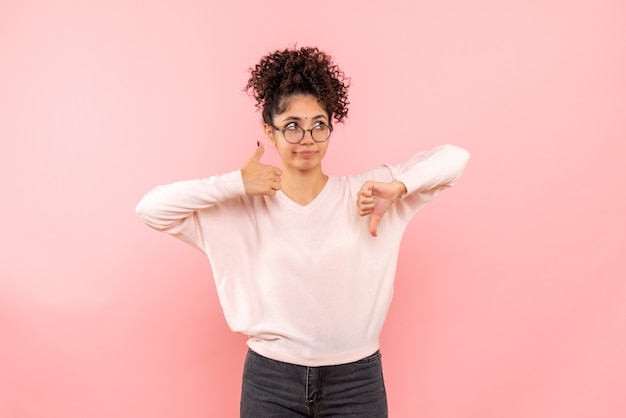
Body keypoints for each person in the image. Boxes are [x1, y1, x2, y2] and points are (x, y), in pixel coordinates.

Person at [136, 46, 470, 418]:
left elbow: (455, 158)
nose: (307, 138)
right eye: (292, 126)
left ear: (330, 126)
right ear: (270, 132)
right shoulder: (240, 209)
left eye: (318, 125)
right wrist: (235, 183)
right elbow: (151, 208)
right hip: (270, 381)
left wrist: (400, 187)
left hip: (356, 382)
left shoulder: (370, 194)